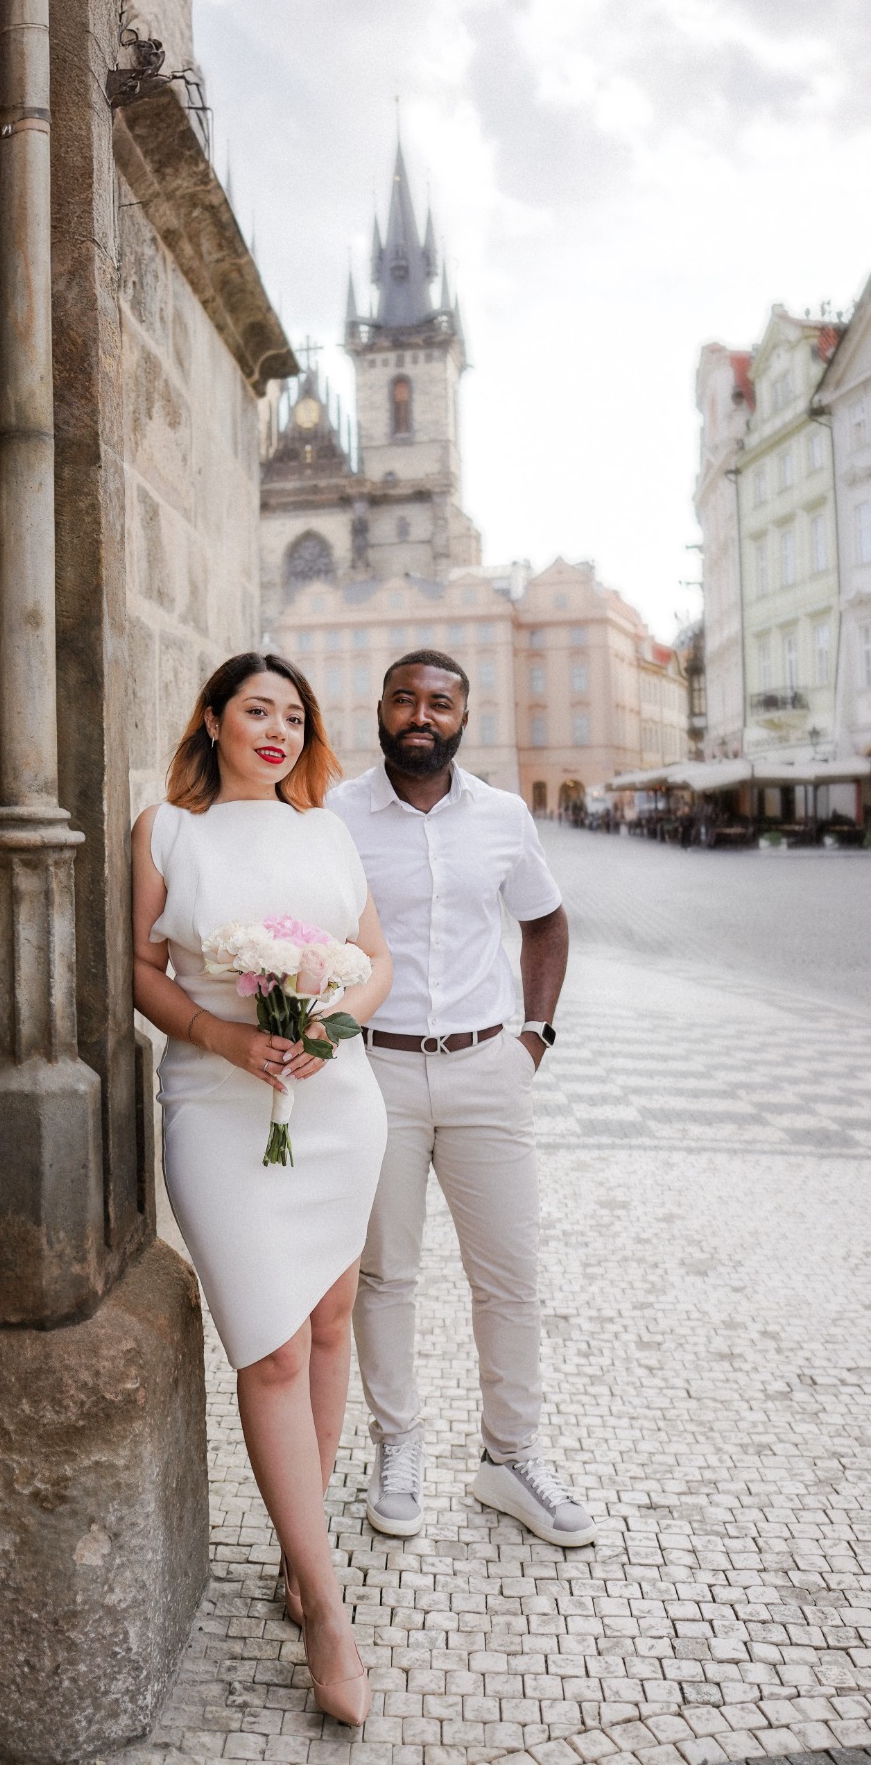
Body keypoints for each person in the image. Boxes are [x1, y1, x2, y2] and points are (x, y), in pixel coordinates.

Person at [131, 652, 392, 1728]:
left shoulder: (327, 831)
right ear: (214, 720)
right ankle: (328, 1614)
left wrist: (327, 1027)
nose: (277, 730)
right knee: (271, 1346)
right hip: (215, 1098)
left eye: (293, 715)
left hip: (333, 1101)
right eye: (256, 710)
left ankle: (302, 1555)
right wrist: (223, 1035)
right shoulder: (166, 831)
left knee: (329, 1320)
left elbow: (375, 963)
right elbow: (138, 967)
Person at [328, 650, 596, 1549]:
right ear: (380, 711)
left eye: (439, 703)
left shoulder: (503, 816)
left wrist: (535, 1037)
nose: (421, 715)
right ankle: (397, 1446)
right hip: (378, 1071)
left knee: (509, 1275)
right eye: (404, 699)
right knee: (385, 1275)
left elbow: (545, 921)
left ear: (462, 718)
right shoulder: (336, 816)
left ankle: (509, 1459)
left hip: (487, 1069)